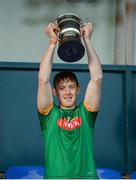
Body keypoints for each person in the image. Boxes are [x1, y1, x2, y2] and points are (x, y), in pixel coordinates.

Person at [37, 21, 103, 179]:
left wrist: (87, 40)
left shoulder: (86, 114)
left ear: (78, 89)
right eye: (62, 88)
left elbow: (97, 78)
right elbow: (43, 79)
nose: (67, 92)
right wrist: (53, 42)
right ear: (54, 92)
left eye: (71, 87)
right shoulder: (49, 115)